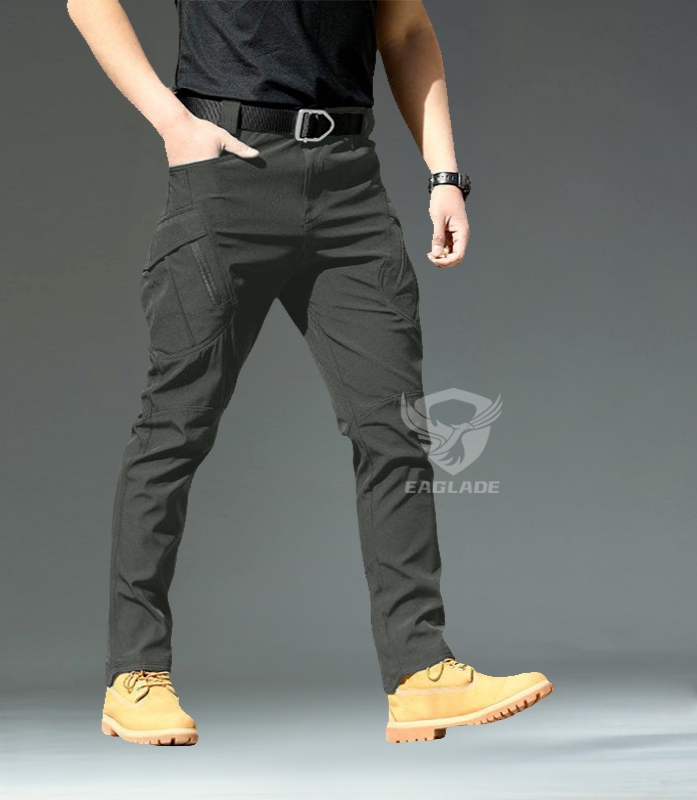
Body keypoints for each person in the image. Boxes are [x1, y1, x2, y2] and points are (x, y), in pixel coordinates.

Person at [67, 0, 553, 746]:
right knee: (174, 430)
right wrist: (171, 121)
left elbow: (405, 30)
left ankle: (421, 673)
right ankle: (136, 675)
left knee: (396, 432)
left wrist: (445, 175)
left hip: (349, 186)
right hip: (227, 174)